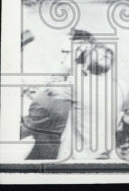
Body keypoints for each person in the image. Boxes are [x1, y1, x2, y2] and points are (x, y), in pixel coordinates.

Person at [20, 29, 95, 160]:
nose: (62, 58)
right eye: (62, 52)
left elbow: (18, 131)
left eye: (66, 53)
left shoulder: (50, 101)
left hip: (51, 161)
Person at [57, 44, 122, 160]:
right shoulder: (119, 87)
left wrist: (68, 63)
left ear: (86, 62)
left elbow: (49, 88)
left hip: (79, 159)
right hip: (107, 155)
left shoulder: (77, 84)